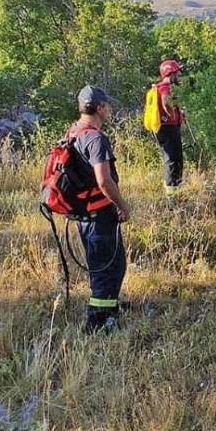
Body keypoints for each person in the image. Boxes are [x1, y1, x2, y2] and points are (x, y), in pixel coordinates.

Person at [71, 85, 130, 332]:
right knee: (108, 266)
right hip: (100, 213)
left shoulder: (74, 131)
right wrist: (122, 205)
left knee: (107, 263)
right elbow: (104, 181)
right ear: (100, 108)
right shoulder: (96, 138)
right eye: (108, 105)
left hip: (86, 213)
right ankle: (99, 321)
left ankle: (109, 307)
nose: (110, 109)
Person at [156, 60, 185, 195]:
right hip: (167, 128)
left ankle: (175, 189)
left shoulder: (165, 87)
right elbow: (166, 102)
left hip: (169, 127)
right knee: (172, 160)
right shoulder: (165, 87)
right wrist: (173, 113)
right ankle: (172, 194)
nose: (179, 76)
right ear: (170, 74)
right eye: (177, 73)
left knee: (175, 158)